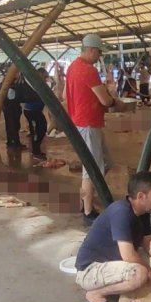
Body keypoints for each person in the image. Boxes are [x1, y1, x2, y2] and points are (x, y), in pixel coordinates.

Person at [74, 171, 151, 302]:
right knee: (140, 273)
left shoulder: (143, 212)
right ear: (141, 196)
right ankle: (96, 294)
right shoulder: (121, 212)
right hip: (90, 270)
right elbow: (128, 255)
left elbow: (148, 241)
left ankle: (125, 286)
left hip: (112, 264)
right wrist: (149, 272)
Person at [65, 34, 117, 221]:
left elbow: (65, 94)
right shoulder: (88, 70)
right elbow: (105, 100)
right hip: (88, 123)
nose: (99, 56)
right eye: (99, 52)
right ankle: (88, 211)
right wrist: (113, 98)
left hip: (80, 121)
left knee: (104, 163)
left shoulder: (72, 68)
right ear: (91, 50)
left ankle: (85, 199)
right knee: (92, 168)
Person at [23, 69, 51, 159]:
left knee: (42, 128)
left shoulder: (40, 85)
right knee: (35, 131)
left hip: (36, 111)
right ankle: (35, 151)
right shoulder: (34, 84)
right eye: (45, 77)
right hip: (31, 111)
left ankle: (36, 149)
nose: (46, 79)